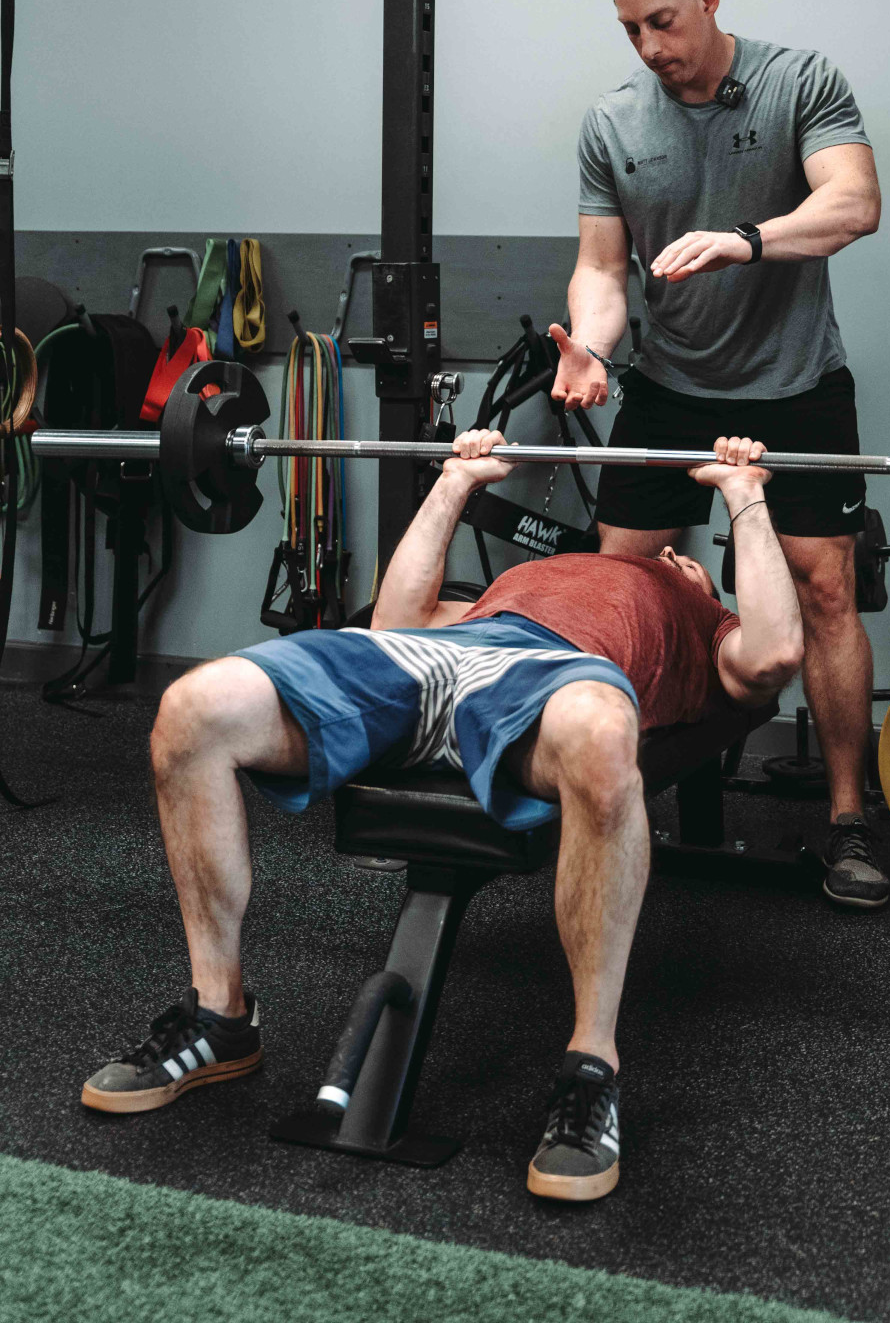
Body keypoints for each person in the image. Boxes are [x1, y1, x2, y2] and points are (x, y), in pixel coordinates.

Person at [81, 428, 803, 1205]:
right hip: (441, 652)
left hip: (554, 679)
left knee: (600, 739)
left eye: (686, 561)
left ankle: (590, 1068)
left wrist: (744, 496)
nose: (669, 555)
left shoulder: (705, 620)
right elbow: (395, 621)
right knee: (193, 709)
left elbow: (774, 658)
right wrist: (456, 483)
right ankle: (220, 1017)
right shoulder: (540, 571)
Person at [550, 0, 887, 909]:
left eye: (663, 21)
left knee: (826, 593)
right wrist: (593, 348)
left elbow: (855, 203)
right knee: (617, 587)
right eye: (631, 32)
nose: (653, 49)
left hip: (797, 385)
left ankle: (845, 817)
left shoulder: (801, 82)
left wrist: (745, 238)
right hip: (669, 384)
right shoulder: (612, 123)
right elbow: (602, 271)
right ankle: (618, 788)